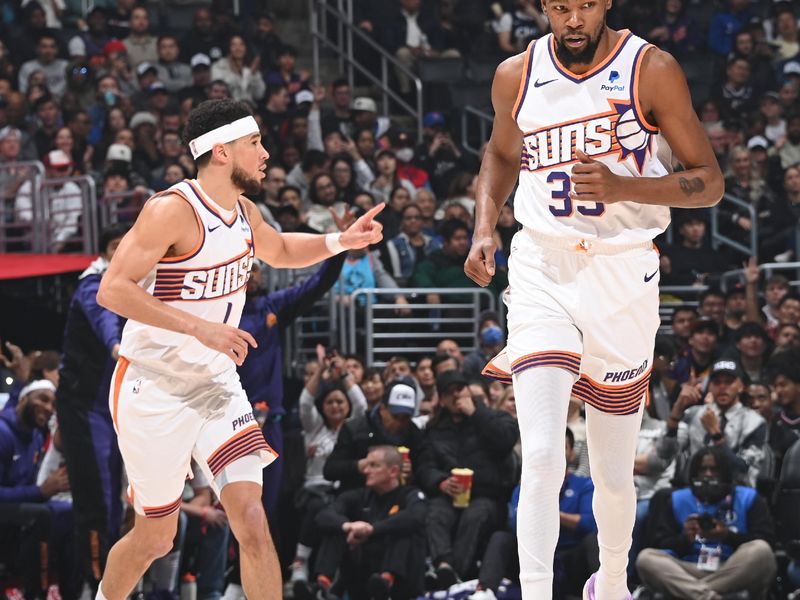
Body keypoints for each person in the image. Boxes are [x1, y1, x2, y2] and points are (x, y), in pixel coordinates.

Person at [464, 1, 724, 597]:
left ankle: (609, 583)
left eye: (584, 5)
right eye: (559, 6)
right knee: (544, 452)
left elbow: (709, 181)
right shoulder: (516, 73)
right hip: (542, 268)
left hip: (622, 273)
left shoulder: (651, 68)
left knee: (610, 473)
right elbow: (502, 154)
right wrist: (485, 226)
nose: (573, 19)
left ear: (604, 1)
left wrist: (626, 186)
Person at [95, 98, 384, 600]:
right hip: (153, 385)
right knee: (155, 537)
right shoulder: (172, 210)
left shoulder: (245, 210)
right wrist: (198, 328)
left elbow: (279, 249)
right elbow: (112, 289)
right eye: (255, 143)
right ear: (222, 151)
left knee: (251, 516)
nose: (266, 154)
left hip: (215, 384)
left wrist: (339, 240)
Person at [56, 224, 129, 593]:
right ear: (103, 253)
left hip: (114, 409)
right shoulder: (92, 282)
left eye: (125, 246)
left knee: (117, 503)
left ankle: (113, 586)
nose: (120, 252)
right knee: (96, 502)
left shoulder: (138, 282)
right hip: (83, 410)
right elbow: (103, 314)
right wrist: (115, 346)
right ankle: (94, 584)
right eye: (114, 247)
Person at [635, 447, 776, 600]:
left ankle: (694, 594)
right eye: (703, 469)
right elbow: (661, 544)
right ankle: (707, 596)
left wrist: (727, 536)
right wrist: (685, 539)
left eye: (714, 470)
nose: (708, 474)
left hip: (731, 567)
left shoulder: (748, 497)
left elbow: (767, 540)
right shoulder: (677, 499)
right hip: (687, 569)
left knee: (762, 551)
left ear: (725, 473)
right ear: (694, 473)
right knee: (646, 558)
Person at [302, 445, 427, 600]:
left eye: (374, 465)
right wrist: (348, 526)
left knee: (403, 528)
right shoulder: (358, 496)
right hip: (362, 575)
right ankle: (323, 587)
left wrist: (372, 530)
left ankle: (387, 581)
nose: (366, 470)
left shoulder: (410, 495)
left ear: (393, 471)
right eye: (366, 465)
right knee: (335, 526)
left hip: (402, 582)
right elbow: (323, 515)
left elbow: (416, 516)